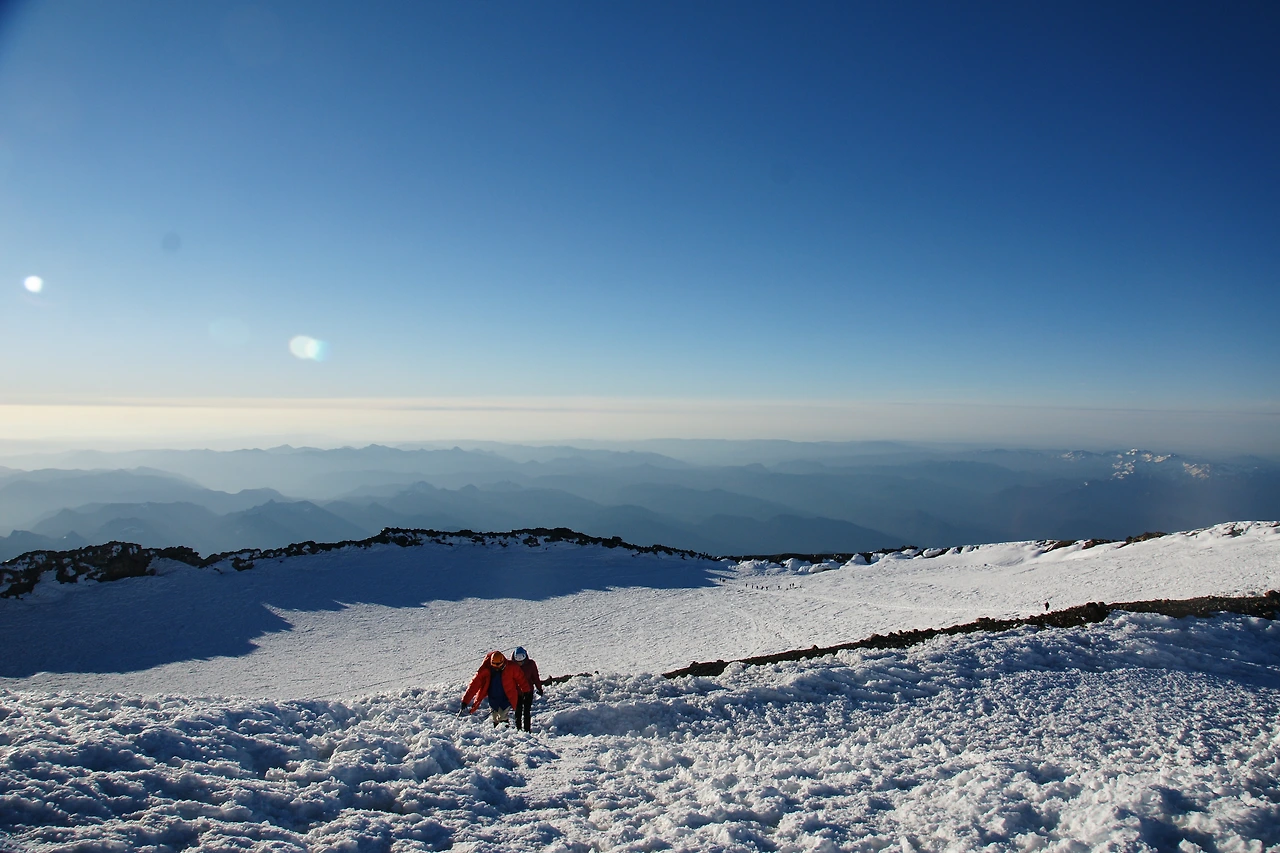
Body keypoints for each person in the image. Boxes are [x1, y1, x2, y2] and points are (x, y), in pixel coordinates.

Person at [461, 650, 531, 728]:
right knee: (496, 718)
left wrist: (526, 691)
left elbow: (521, 679)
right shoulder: (485, 670)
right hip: (493, 698)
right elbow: (474, 685)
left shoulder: (512, 667)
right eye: (495, 667)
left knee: (503, 717)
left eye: (499, 667)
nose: (497, 669)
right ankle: (498, 732)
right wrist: (465, 701)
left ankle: (506, 733)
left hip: (507, 697)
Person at [511, 646, 544, 732]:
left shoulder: (531, 664)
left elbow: (535, 677)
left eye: (521, 660)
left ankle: (527, 730)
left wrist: (539, 688)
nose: (520, 663)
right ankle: (518, 729)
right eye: (518, 661)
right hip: (516, 692)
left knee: (526, 711)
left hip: (528, 692)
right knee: (518, 711)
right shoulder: (511, 666)